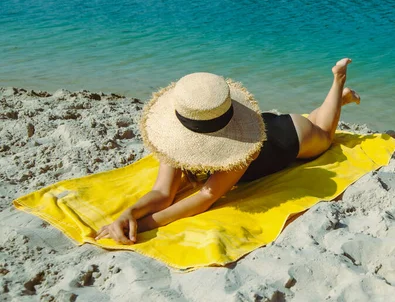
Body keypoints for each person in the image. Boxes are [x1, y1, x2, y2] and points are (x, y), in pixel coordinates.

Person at [95, 58, 360, 244]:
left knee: (324, 134)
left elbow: (205, 197)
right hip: (266, 124)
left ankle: (338, 83)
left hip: (291, 136)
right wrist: (129, 213)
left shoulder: (240, 149)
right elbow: (162, 193)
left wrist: (143, 226)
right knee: (318, 117)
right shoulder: (176, 138)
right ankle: (339, 99)